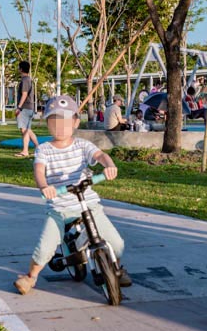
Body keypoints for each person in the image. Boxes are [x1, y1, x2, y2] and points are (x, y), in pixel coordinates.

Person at [13, 95, 131, 295]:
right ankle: (30, 277)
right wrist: (44, 187)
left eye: (66, 122)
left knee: (117, 243)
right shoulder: (44, 149)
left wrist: (109, 166)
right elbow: (39, 171)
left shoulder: (82, 145)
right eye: (54, 121)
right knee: (45, 248)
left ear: (76, 122)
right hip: (59, 207)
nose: (60, 127)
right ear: (46, 123)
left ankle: (116, 268)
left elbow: (100, 155)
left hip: (88, 205)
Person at [14, 61, 38, 158]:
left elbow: (24, 94)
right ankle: (38, 148)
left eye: (18, 67)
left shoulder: (25, 80)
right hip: (29, 107)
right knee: (28, 130)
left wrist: (19, 107)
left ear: (21, 69)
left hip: (24, 108)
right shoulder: (28, 79)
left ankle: (25, 151)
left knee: (24, 130)